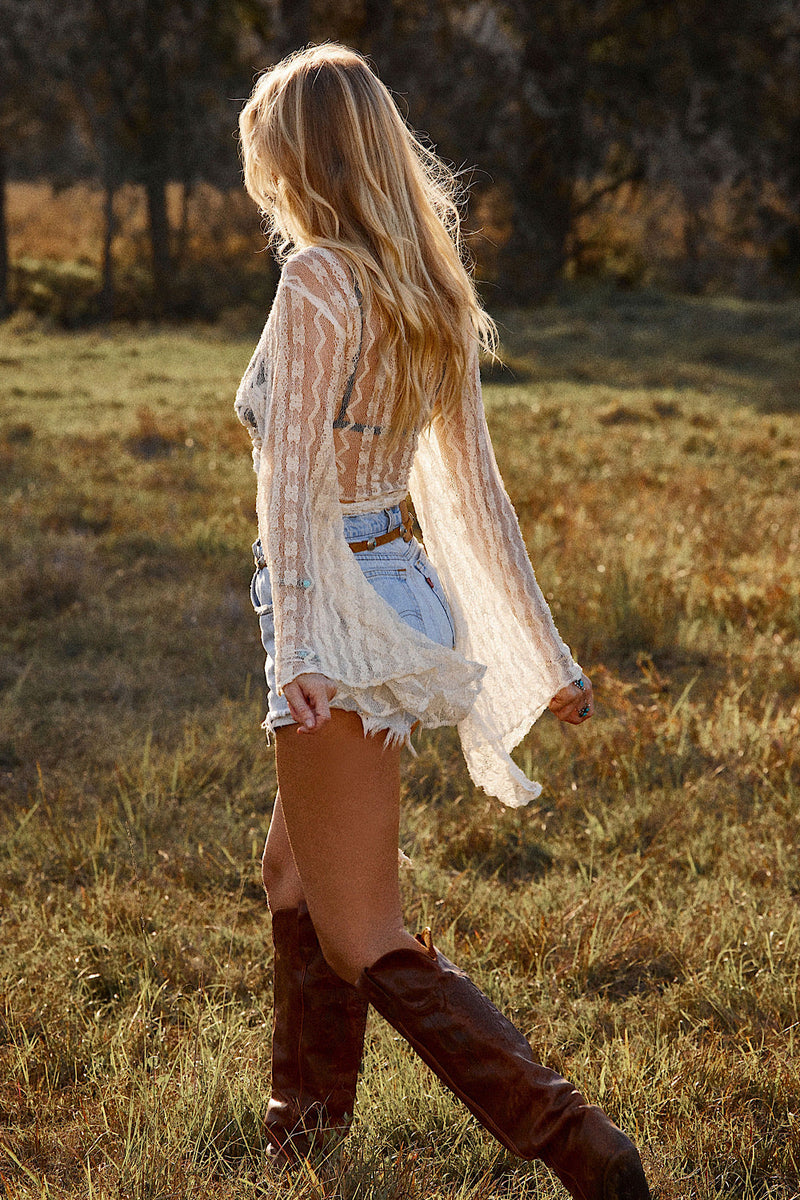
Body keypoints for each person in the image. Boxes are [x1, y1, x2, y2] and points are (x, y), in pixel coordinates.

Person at [236, 43, 651, 1200]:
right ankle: (304, 1134)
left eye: (264, 146)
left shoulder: (319, 281)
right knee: (291, 879)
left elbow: (291, 494)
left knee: (362, 932)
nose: (257, 168)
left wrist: (296, 656)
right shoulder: (425, 280)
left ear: (298, 155)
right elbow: (470, 498)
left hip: (340, 612)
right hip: (391, 588)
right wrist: (546, 653)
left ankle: (577, 1143)